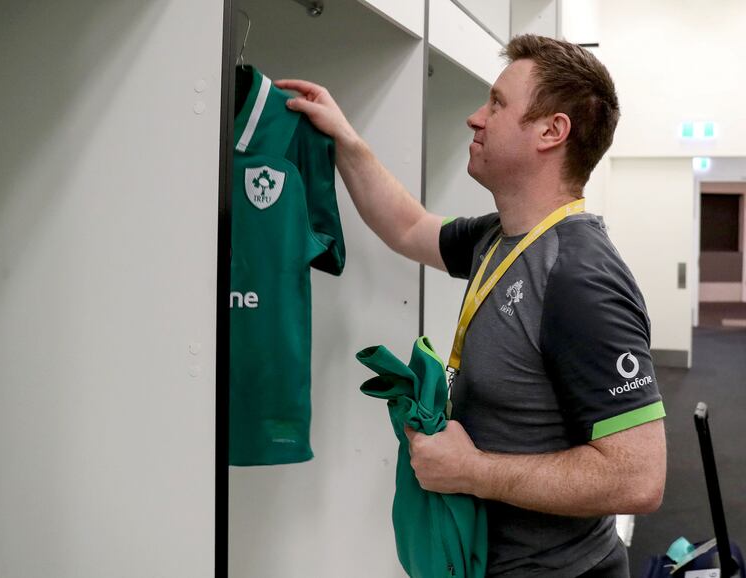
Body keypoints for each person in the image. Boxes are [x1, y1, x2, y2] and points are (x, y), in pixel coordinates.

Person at [275, 34, 666, 577]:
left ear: (552, 132)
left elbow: (638, 479)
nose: (475, 118)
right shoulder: (500, 239)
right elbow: (409, 226)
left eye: (499, 104)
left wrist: (474, 471)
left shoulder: (579, 277)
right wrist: (343, 137)